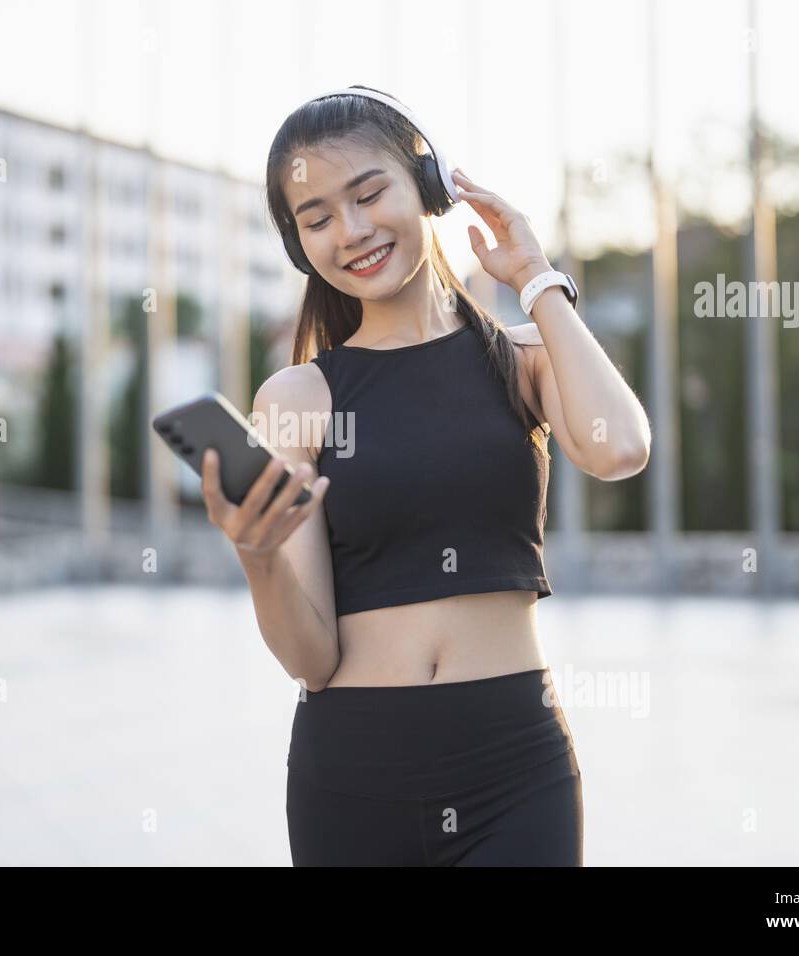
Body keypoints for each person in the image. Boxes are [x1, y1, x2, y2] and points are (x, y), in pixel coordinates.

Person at [199, 86, 651, 866]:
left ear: (428, 187)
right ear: (298, 243)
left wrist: (536, 277)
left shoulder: (522, 359)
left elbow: (620, 449)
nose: (354, 231)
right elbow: (311, 658)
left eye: (370, 193)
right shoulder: (297, 398)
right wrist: (258, 554)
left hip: (515, 763)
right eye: (317, 219)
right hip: (353, 772)